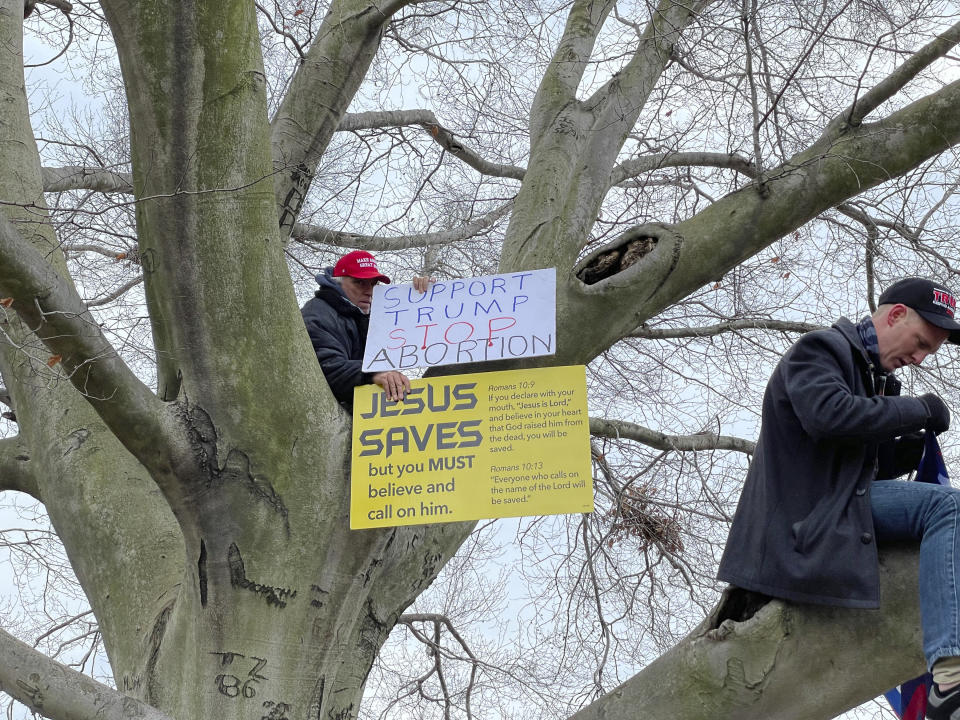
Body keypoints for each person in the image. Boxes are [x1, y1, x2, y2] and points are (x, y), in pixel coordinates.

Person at [716, 277, 960, 719]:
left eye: (930, 352)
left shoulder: (878, 381)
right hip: (807, 522)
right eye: (921, 343)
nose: (920, 358)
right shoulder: (820, 350)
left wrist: (907, 444)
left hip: (842, 509)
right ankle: (950, 676)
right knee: (948, 506)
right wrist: (918, 409)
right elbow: (828, 415)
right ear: (895, 314)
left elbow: (863, 465)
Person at [301, 250, 426, 407]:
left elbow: (421, 336)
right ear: (337, 281)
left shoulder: (371, 314)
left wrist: (423, 297)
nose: (370, 291)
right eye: (360, 282)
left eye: (374, 284)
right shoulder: (318, 313)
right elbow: (324, 369)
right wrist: (373, 373)